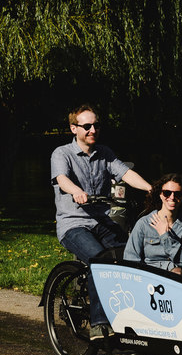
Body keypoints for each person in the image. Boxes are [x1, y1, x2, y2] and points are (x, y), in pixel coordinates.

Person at [50, 104, 151, 338]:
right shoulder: (61, 153)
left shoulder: (104, 153)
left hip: (100, 221)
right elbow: (62, 179)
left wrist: (151, 189)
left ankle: (130, 314)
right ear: (74, 128)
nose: (93, 129)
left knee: (131, 257)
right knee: (100, 261)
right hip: (73, 224)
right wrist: (76, 191)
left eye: (96, 125)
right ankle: (99, 322)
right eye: (87, 126)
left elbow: (125, 173)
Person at [123, 174, 182, 274]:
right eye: (167, 193)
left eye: (177, 194)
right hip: (149, 274)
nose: (172, 197)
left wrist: (165, 236)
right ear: (160, 194)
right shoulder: (144, 223)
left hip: (177, 276)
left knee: (177, 271)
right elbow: (131, 258)